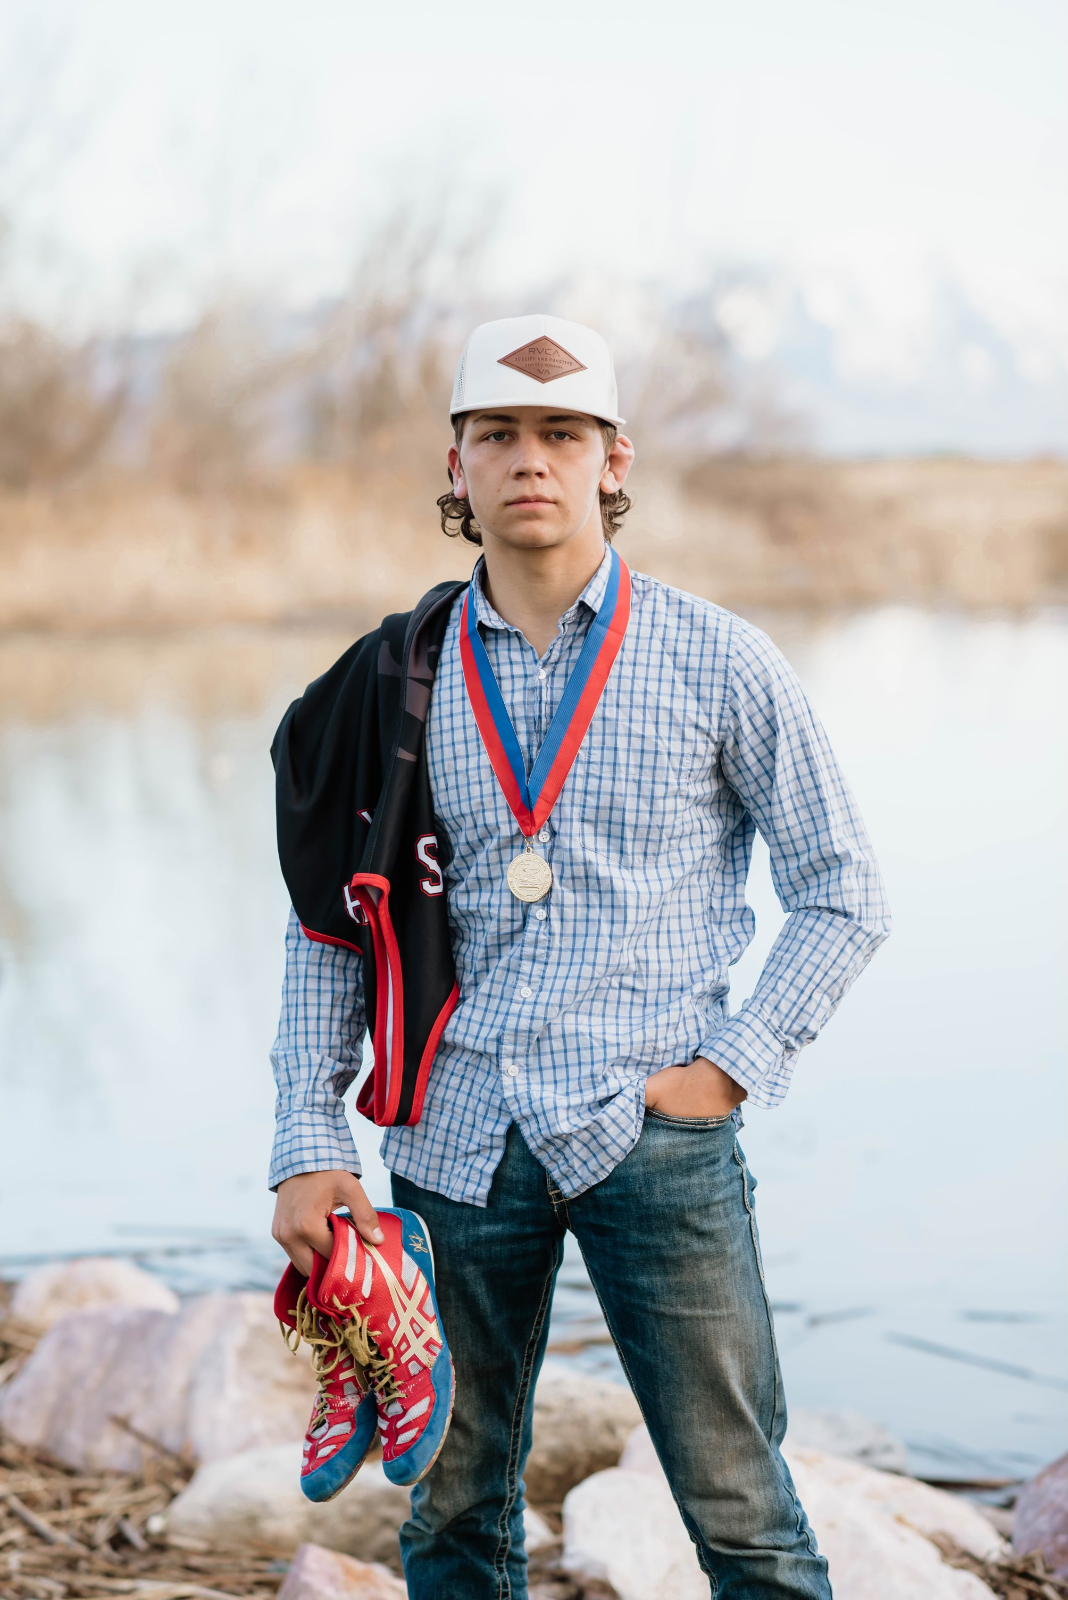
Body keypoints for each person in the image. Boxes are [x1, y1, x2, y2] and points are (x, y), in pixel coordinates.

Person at [269, 313, 890, 1598]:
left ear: (615, 458)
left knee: (745, 1512)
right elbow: (330, 922)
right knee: (450, 1511)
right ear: (457, 467)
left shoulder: (722, 659)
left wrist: (729, 1066)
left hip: (655, 1131)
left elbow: (844, 889)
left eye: (562, 433)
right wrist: (307, 1135)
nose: (529, 459)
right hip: (453, 1140)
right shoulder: (392, 679)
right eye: (497, 434)